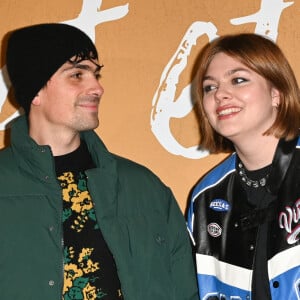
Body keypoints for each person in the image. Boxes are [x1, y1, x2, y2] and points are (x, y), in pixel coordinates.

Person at [1, 23, 198, 299]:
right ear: (35, 91)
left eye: (96, 74)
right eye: (77, 74)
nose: (97, 87)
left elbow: (185, 290)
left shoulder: (144, 188)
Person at [187, 33, 300, 300]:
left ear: (277, 93)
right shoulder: (205, 197)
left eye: (238, 80)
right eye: (209, 87)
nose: (221, 95)